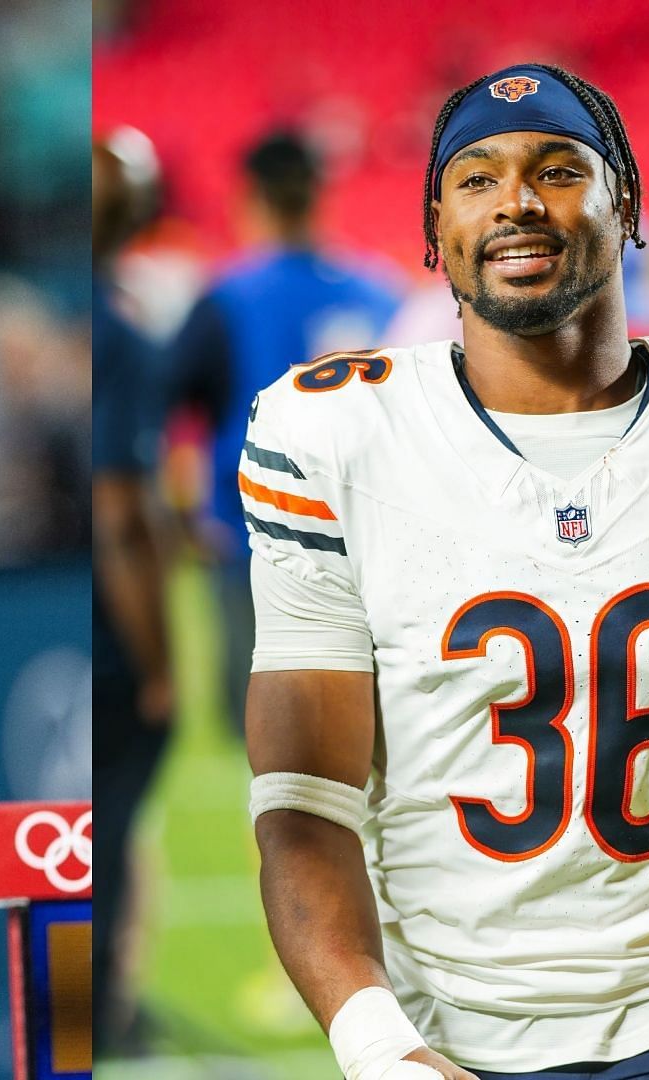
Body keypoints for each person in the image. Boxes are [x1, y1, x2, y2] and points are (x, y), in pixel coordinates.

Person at [239, 64, 649, 1080]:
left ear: (625, 203)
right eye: (477, 178)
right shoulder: (334, 434)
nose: (515, 200)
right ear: (435, 226)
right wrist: (381, 1050)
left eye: (558, 170)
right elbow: (303, 800)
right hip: (443, 1035)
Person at [167, 128, 400, 736]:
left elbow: (171, 400)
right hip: (365, 532)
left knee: (267, 720)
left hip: (257, 530)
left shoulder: (228, 298)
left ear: (252, 200)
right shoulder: (381, 294)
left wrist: (187, 512)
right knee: (366, 711)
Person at [91, 127, 174, 1055]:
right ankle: (99, 1010)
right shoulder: (117, 335)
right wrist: (155, 658)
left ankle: (98, 1003)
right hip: (104, 627)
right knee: (108, 827)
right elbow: (122, 508)